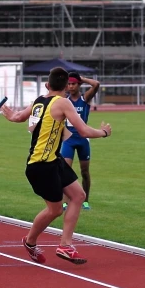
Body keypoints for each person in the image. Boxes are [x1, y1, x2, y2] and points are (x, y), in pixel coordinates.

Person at [2, 67, 112, 264]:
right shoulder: (63, 103)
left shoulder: (38, 101)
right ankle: (29, 241)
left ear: (48, 85)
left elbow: (18, 117)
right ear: (65, 87)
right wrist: (104, 132)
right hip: (41, 165)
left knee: (78, 196)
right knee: (55, 210)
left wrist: (9, 115)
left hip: (53, 160)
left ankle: (65, 245)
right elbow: (84, 131)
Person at [61, 71, 100, 211]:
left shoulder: (85, 99)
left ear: (79, 84)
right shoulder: (64, 100)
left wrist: (82, 78)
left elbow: (96, 84)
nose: (71, 86)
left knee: (85, 172)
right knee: (66, 171)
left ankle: (86, 201)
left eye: (74, 83)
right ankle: (65, 202)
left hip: (83, 140)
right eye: (69, 84)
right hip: (68, 141)